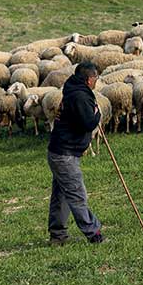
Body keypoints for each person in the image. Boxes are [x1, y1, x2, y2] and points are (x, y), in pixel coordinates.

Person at [47, 62, 105, 245]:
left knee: (62, 195)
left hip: (60, 151)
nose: (96, 81)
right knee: (77, 194)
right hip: (65, 154)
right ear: (89, 79)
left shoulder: (72, 90)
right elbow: (88, 123)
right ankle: (93, 233)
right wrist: (97, 113)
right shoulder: (80, 96)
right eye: (96, 77)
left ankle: (58, 235)